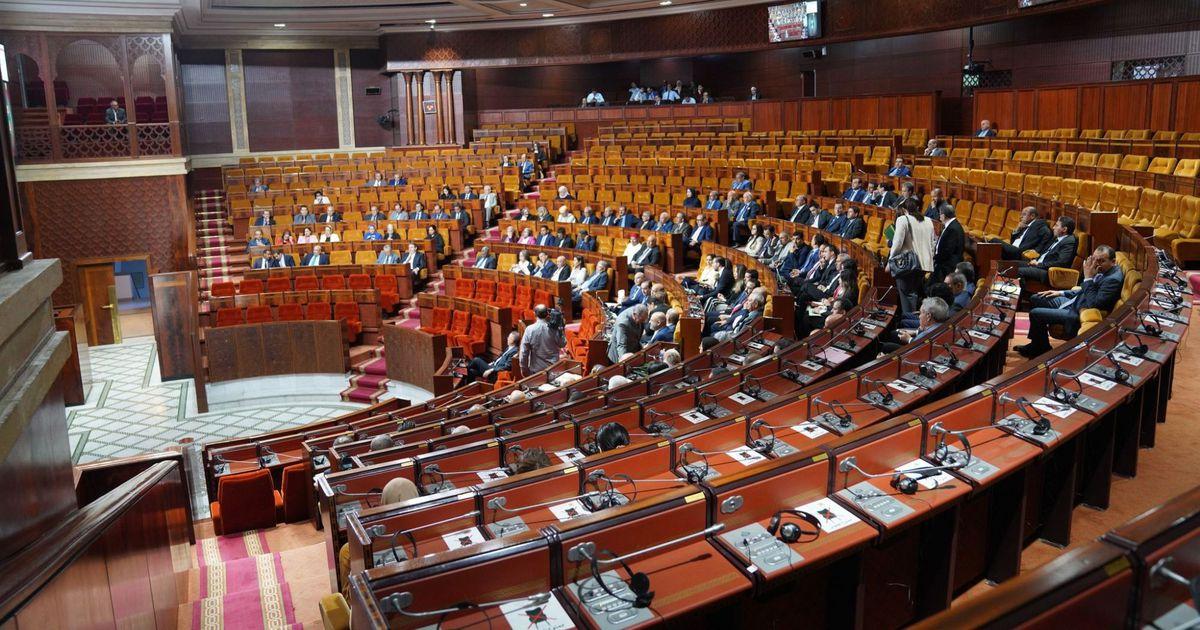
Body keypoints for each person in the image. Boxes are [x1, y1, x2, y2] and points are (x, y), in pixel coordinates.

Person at [1015, 246, 1124, 359]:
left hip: (1079, 313)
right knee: (1036, 297)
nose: (1096, 264)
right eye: (1094, 259)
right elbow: (1084, 290)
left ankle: (1039, 350)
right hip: (1074, 301)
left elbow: (1094, 304)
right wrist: (1061, 293)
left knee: (1035, 313)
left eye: (1101, 261)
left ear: (1113, 262)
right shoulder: (1104, 270)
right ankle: (1040, 344)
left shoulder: (1113, 279)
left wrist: (1088, 278)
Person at [890, 198, 935, 314]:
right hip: (923, 264)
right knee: (914, 293)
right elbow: (933, 244)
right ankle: (914, 319)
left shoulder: (903, 219)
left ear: (905, 210)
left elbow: (897, 243)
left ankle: (908, 321)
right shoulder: (928, 220)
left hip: (907, 264)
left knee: (907, 296)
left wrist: (890, 261)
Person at [1017, 216, 1079, 286]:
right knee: (1012, 265)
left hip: (1049, 272)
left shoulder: (1069, 241)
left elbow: (1061, 263)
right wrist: (1036, 260)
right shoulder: (1057, 237)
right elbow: (1044, 252)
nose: (1053, 228)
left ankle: (1020, 292)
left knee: (1018, 271)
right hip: (1039, 265)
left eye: (1056, 225)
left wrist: (1038, 264)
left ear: (1064, 229)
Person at [880, 297, 951, 354]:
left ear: (928, 316)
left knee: (886, 347)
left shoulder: (925, 335)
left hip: (913, 355)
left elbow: (913, 353)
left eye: (921, 313)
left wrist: (909, 339)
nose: (919, 316)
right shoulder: (943, 326)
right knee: (894, 334)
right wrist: (916, 332)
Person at [520, 305, 567, 374]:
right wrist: (561, 328)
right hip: (553, 369)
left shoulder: (529, 330)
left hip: (537, 371)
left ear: (534, 314)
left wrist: (524, 369)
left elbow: (524, 352)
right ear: (547, 314)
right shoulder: (554, 329)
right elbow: (562, 344)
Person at [931, 205, 964, 285]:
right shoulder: (952, 225)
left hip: (946, 267)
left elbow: (947, 250)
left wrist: (935, 258)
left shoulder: (953, 228)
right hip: (944, 264)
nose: (939, 217)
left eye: (940, 214)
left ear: (943, 215)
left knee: (933, 286)